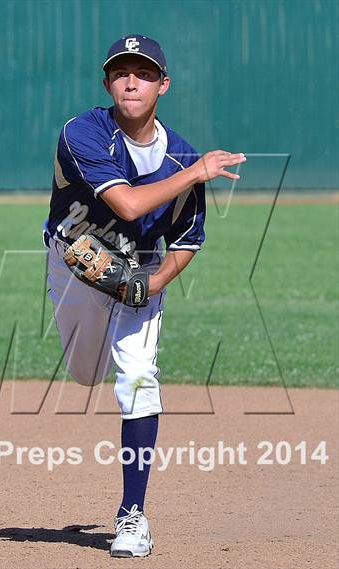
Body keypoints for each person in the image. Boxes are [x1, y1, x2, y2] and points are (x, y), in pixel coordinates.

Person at [43, 34, 246, 558]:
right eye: (121, 72)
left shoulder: (179, 155)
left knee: (136, 378)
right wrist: (196, 172)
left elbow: (187, 238)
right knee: (85, 372)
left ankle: (132, 516)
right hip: (75, 259)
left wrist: (151, 285)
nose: (132, 82)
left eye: (145, 73)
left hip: (141, 268)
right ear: (107, 82)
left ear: (163, 85)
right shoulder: (83, 131)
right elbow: (130, 206)